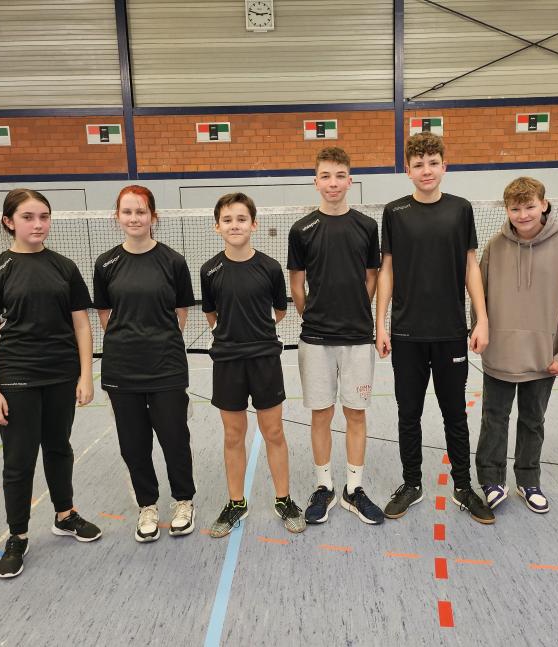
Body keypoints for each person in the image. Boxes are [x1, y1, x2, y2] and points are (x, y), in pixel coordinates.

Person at [0, 188, 101, 579]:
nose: (38, 224)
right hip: (16, 378)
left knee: (59, 448)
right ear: (9, 221)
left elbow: (82, 324)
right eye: (28, 217)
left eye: (43, 216)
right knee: (18, 461)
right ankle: (18, 535)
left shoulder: (64, 267)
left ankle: (65, 515)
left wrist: (85, 375)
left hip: (61, 376)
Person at [375, 132, 494, 524]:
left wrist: (482, 317)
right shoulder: (394, 212)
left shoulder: (461, 209)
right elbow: (387, 270)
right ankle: (412, 483)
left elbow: (470, 265)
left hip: (450, 333)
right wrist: (381, 323)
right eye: (418, 164)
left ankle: (463, 486)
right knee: (407, 414)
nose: (426, 171)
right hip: (407, 335)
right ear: (407, 170)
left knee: (454, 413)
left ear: (445, 165)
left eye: (433, 163)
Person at [476, 177, 558, 514]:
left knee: (532, 421)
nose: (523, 214)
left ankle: (528, 480)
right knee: (493, 419)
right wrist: (478, 330)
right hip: (499, 354)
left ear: (543, 204)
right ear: (507, 209)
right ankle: (491, 480)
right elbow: (479, 298)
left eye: (529, 206)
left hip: (544, 360)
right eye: (515, 208)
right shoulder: (494, 247)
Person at [93, 186, 197, 543]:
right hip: (121, 369)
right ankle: (147, 505)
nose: (134, 218)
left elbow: (181, 312)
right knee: (133, 444)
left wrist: (158, 341)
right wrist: (129, 341)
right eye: (127, 212)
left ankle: (183, 501)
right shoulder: (106, 264)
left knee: (174, 437)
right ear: (117, 217)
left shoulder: (173, 261)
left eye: (141, 212)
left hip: (166, 366)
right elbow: (106, 315)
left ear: (154, 217)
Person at [288, 147, 383, 525]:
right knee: (321, 414)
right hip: (316, 339)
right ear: (316, 181)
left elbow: (372, 275)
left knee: (356, 413)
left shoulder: (366, 226)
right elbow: (297, 284)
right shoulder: (302, 230)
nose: (333, 182)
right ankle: (324, 486)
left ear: (349, 180)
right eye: (326, 175)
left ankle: (353, 489)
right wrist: (312, 314)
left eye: (340, 175)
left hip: (358, 337)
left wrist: (359, 306)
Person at [201, 192, 305, 538]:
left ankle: (284, 499)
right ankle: (236, 503)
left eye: (241, 219)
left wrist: (257, 336)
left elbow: (280, 310)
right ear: (217, 227)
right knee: (233, 434)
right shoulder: (210, 269)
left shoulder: (270, 267)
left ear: (253, 224)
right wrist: (228, 335)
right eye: (227, 220)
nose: (235, 225)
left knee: (274, 431)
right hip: (227, 362)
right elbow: (210, 311)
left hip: (264, 360)